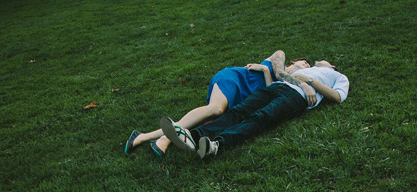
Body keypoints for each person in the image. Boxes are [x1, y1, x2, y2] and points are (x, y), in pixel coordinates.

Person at [124, 51, 311, 157]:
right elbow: (279, 74)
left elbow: (271, 89)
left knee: (210, 121)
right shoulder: (279, 56)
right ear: (295, 61)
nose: (307, 66)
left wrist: (263, 71)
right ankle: (164, 139)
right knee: (215, 109)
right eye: (305, 63)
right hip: (235, 79)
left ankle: (142, 136)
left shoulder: (281, 81)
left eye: (309, 67)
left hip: (243, 97)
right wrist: (303, 84)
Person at [160, 60, 349, 158]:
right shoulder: (300, 71)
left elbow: (338, 97)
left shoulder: (339, 76)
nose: (311, 63)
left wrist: (310, 82)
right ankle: (193, 136)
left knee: (261, 117)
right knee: (239, 111)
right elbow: (282, 76)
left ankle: (217, 145)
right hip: (275, 87)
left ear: (331, 65)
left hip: (296, 98)